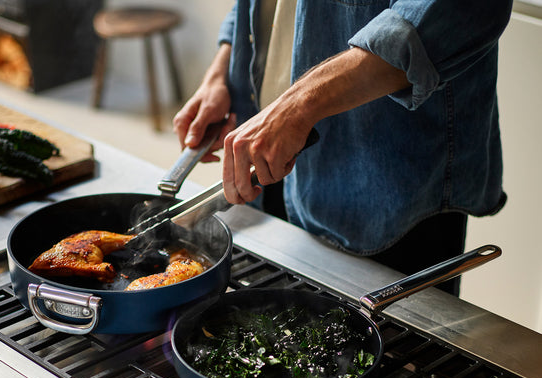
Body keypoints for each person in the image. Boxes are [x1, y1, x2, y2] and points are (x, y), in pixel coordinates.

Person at [173, 0, 512, 296]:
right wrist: (221, 67)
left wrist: (299, 104)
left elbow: (459, 8)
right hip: (272, 152)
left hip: (392, 185)